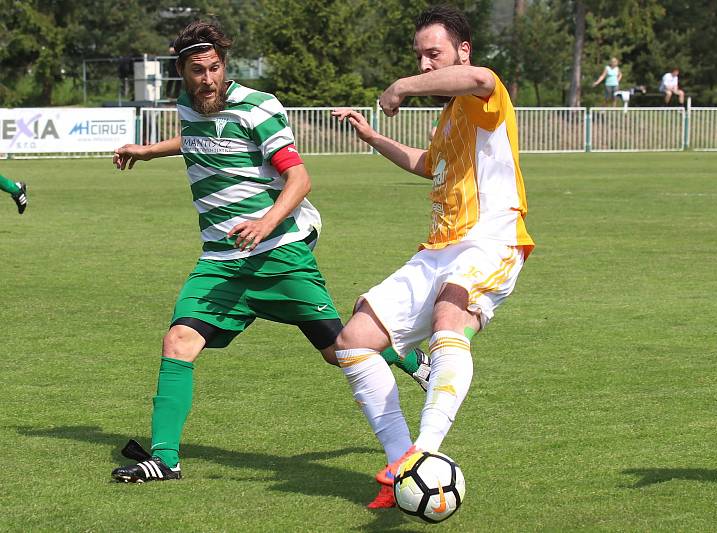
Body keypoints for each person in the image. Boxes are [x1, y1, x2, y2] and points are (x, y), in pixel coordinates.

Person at [109, 20, 428, 483]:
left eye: (215, 68)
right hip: (220, 262)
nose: (208, 79)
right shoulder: (189, 106)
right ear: (182, 72)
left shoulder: (258, 107)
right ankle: (164, 459)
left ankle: (410, 359)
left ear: (225, 65)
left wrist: (265, 222)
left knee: (339, 350)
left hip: (278, 254)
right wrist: (148, 150)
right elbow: (198, 141)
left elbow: (299, 178)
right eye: (197, 70)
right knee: (178, 341)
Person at [331, 5, 534, 509]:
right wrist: (373, 137)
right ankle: (402, 461)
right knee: (354, 341)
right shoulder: (449, 117)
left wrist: (400, 86)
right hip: (439, 247)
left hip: (491, 240)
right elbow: (429, 165)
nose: (425, 65)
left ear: (461, 51)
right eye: (418, 57)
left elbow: (482, 77)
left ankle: (425, 451)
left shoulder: (487, 96)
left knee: (450, 313)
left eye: (433, 54)